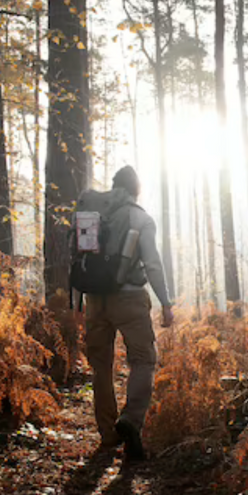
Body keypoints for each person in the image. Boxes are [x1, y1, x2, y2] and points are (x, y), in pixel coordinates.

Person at [83, 166, 174, 460]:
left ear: (113, 186)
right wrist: (166, 302)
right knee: (144, 359)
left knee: (101, 366)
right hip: (130, 298)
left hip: (95, 299)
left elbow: (81, 257)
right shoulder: (140, 217)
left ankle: (109, 435)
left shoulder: (93, 212)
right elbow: (152, 264)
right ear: (137, 189)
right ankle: (131, 420)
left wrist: (76, 301)